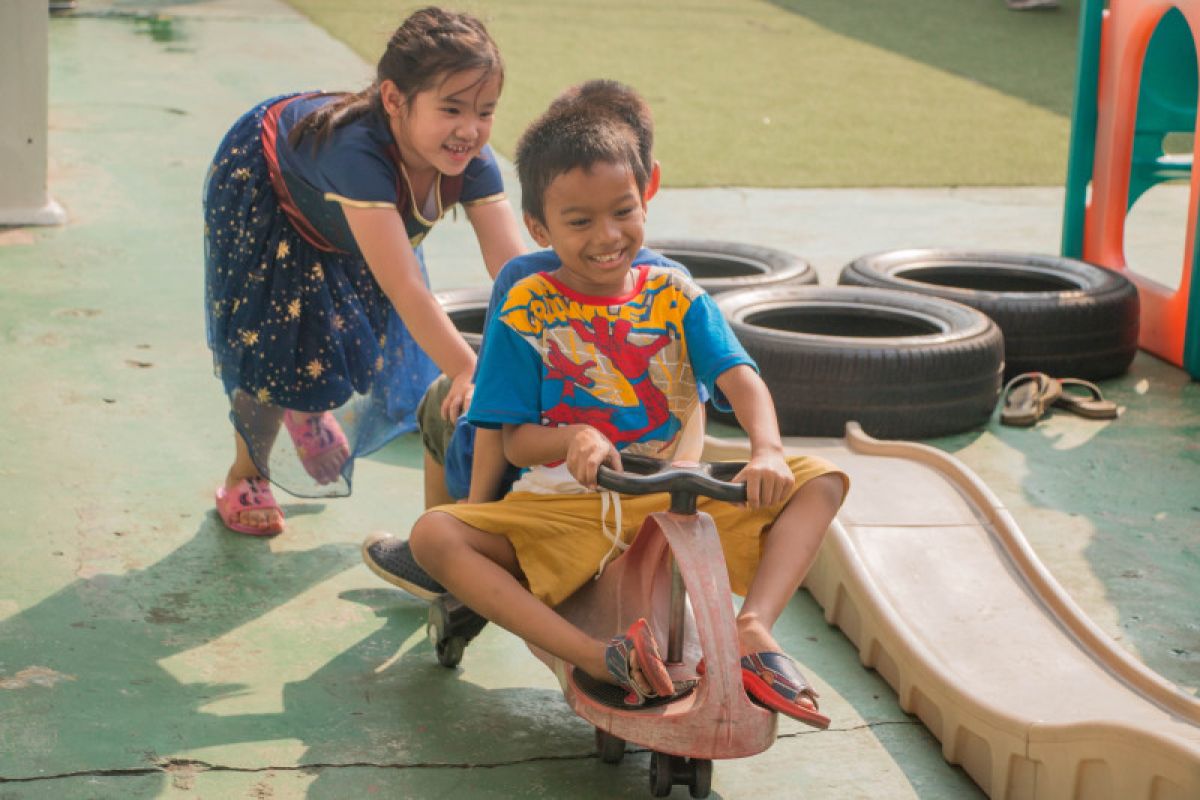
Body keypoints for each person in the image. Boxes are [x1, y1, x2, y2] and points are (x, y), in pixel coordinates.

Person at [405, 103, 849, 724]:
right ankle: (594, 655)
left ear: (645, 201)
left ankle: (753, 629)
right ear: (539, 228)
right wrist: (572, 437)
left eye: (622, 212)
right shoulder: (527, 305)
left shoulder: (676, 294)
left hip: (669, 499)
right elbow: (513, 442)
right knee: (434, 535)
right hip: (566, 504)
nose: (607, 236)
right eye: (580, 220)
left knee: (821, 479)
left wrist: (766, 448)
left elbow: (741, 378)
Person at [361, 80, 701, 598]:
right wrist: (679, 481)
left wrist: (476, 519)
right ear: (650, 182)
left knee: (441, 402)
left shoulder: (524, 279)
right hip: (639, 476)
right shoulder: (678, 282)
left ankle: (442, 563)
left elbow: (500, 419)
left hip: (538, 481)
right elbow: (695, 398)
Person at [205, 7, 524, 536]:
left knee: (357, 336)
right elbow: (404, 286)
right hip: (269, 188)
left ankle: (305, 409)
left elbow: (513, 270)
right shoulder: (355, 156)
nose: (470, 130)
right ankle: (246, 475)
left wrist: (562, 329)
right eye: (451, 109)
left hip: (353, 215)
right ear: (395, 99)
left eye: (485, 111)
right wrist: (469, 369)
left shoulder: (473, 159)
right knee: (273, 343)